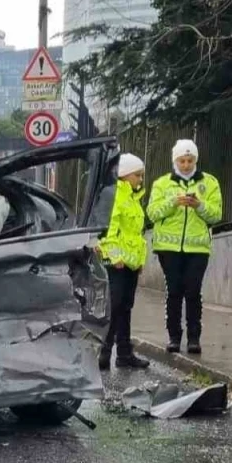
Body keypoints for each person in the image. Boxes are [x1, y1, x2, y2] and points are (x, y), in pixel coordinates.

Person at [146, 139, 224, 354]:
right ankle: (173, 336)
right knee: (174, 291)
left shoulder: (209, 183)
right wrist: (173, 203)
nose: (186, 165)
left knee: (193, 291)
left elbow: (216, 214)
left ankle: (194, 338)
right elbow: (152, 213)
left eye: (190, 160)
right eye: (182, 160)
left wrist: (199, 205)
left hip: (197, 248)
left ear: (196, 160)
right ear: (175, 160)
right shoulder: (162, 183)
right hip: (168, 248)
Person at [97, 153, 150, 371]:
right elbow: (108, 230)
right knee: (115, 306)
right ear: (125, 175)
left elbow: (136, 234)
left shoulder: (133, 198)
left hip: (130, 263)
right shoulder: (113, 195)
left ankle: (124, 353)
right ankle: (105, 351)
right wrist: (114, 256)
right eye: (137, 175)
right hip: (116, 262)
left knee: (125, 306)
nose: (140, 179)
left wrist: (138, 261)